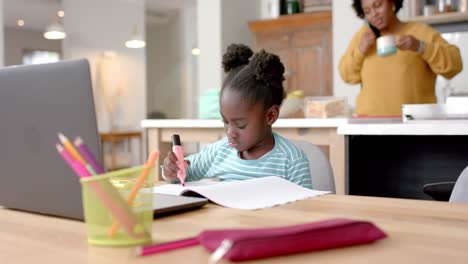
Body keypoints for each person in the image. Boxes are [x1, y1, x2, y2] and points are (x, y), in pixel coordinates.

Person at [162, 44, 312, 189]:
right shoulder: (220, 151)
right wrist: (171, 171)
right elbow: (182, 174)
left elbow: (304, 210)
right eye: (225, 122)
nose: (230, 133)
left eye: (240, 125)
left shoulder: (292, 161)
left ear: (270, 116)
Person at [339, 0, 463, 116]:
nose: (374, 14)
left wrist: (420, 47)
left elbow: (454, 65)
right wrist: (360, 50)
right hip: (369, 124)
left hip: (413, 125)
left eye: (378, 6)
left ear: (392, 3)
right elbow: (346, 75)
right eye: (367, 11)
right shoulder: (364, 36)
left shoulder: (419, 31)